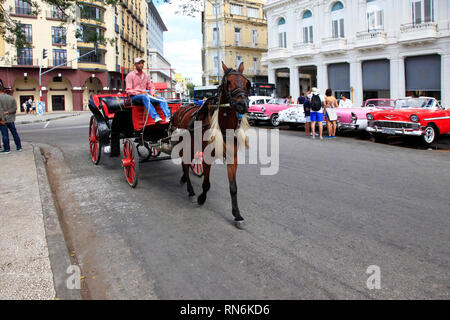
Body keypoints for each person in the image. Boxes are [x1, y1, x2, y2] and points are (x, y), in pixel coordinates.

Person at [125, 57, 171, 123]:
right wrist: (139, 93)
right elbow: (128, 90)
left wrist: (152, 93)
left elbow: (151, 86)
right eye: (139, 63)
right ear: (135, 65)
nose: (141, 65)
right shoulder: (130, 75)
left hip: (146, 95)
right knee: (144, 96)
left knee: (162, 99)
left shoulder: (146, 75)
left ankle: (168, 117)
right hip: (135, 97)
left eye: (142, 63)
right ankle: (156, 117)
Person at [0, 85, 22, 154]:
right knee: (14, 133)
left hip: (3, 120)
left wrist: (2, 119)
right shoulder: (11, 98)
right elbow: (14, 109)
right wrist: (8, 112)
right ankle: (19, 147)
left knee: (5, 134)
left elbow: (0, 110)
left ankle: (7, 149)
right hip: (11, 119)